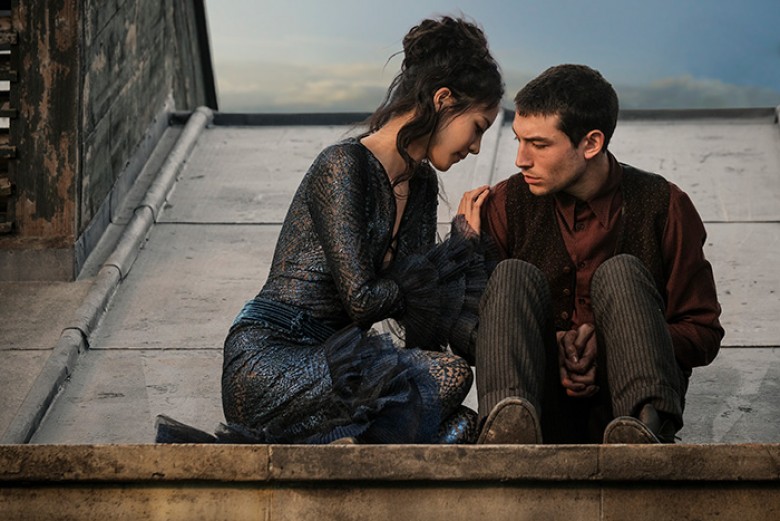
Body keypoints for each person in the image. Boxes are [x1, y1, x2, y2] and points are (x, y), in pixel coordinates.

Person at [155, 16, 504, 444]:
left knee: (462, 427)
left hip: (343, 371)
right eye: (478, 128)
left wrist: (458, 257)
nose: (476, 147)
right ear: (444, 100)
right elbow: (361, 301)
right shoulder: (342, 166)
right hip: (272, 357)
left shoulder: (421, 185)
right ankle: (338, 444)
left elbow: (420, 328)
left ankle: (343, 449)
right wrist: (445, 261)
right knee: (449, 375)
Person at [460, 64, 724, 444]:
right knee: (512, 274)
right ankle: (506, 436)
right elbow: (469, 332)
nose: (521, 159)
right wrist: (547, 342)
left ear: (591, 143)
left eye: (539, 144)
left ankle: (643, 433)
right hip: (538, 409)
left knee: (622, 272)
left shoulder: (665, 205)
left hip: (625, 407)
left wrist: (617, 341)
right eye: (519, 140)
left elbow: (703, 331)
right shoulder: (502, 205)